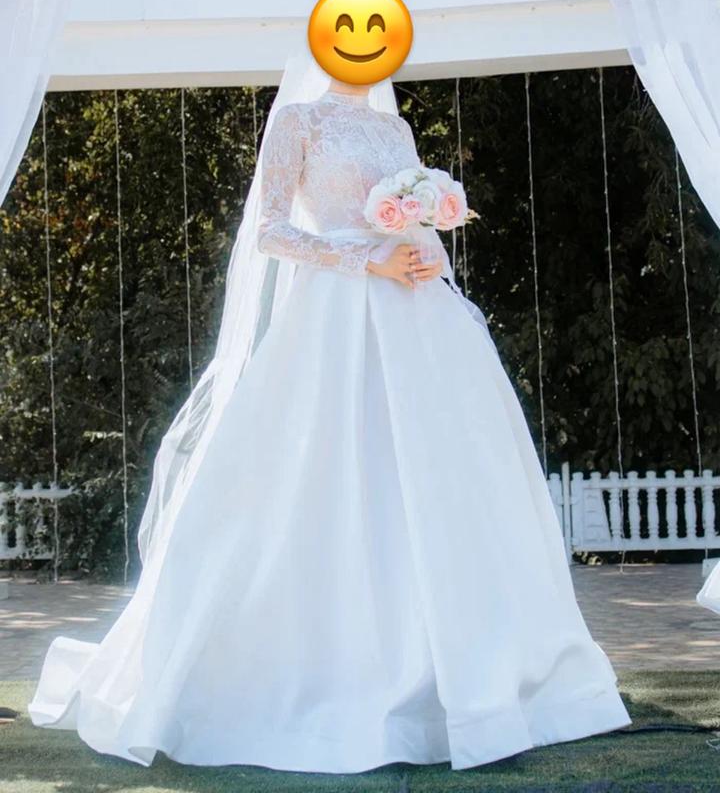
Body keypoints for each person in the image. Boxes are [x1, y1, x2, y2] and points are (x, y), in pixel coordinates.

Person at [28, 45, 631, 772]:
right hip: (333, 319)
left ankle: (463, 672)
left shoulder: (394, 129)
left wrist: (423, 247)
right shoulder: (298, 122)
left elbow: (409, 226)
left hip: (417, 315)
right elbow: (271, 230)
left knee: (443, 473)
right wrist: (364, 258)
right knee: (321, 469)